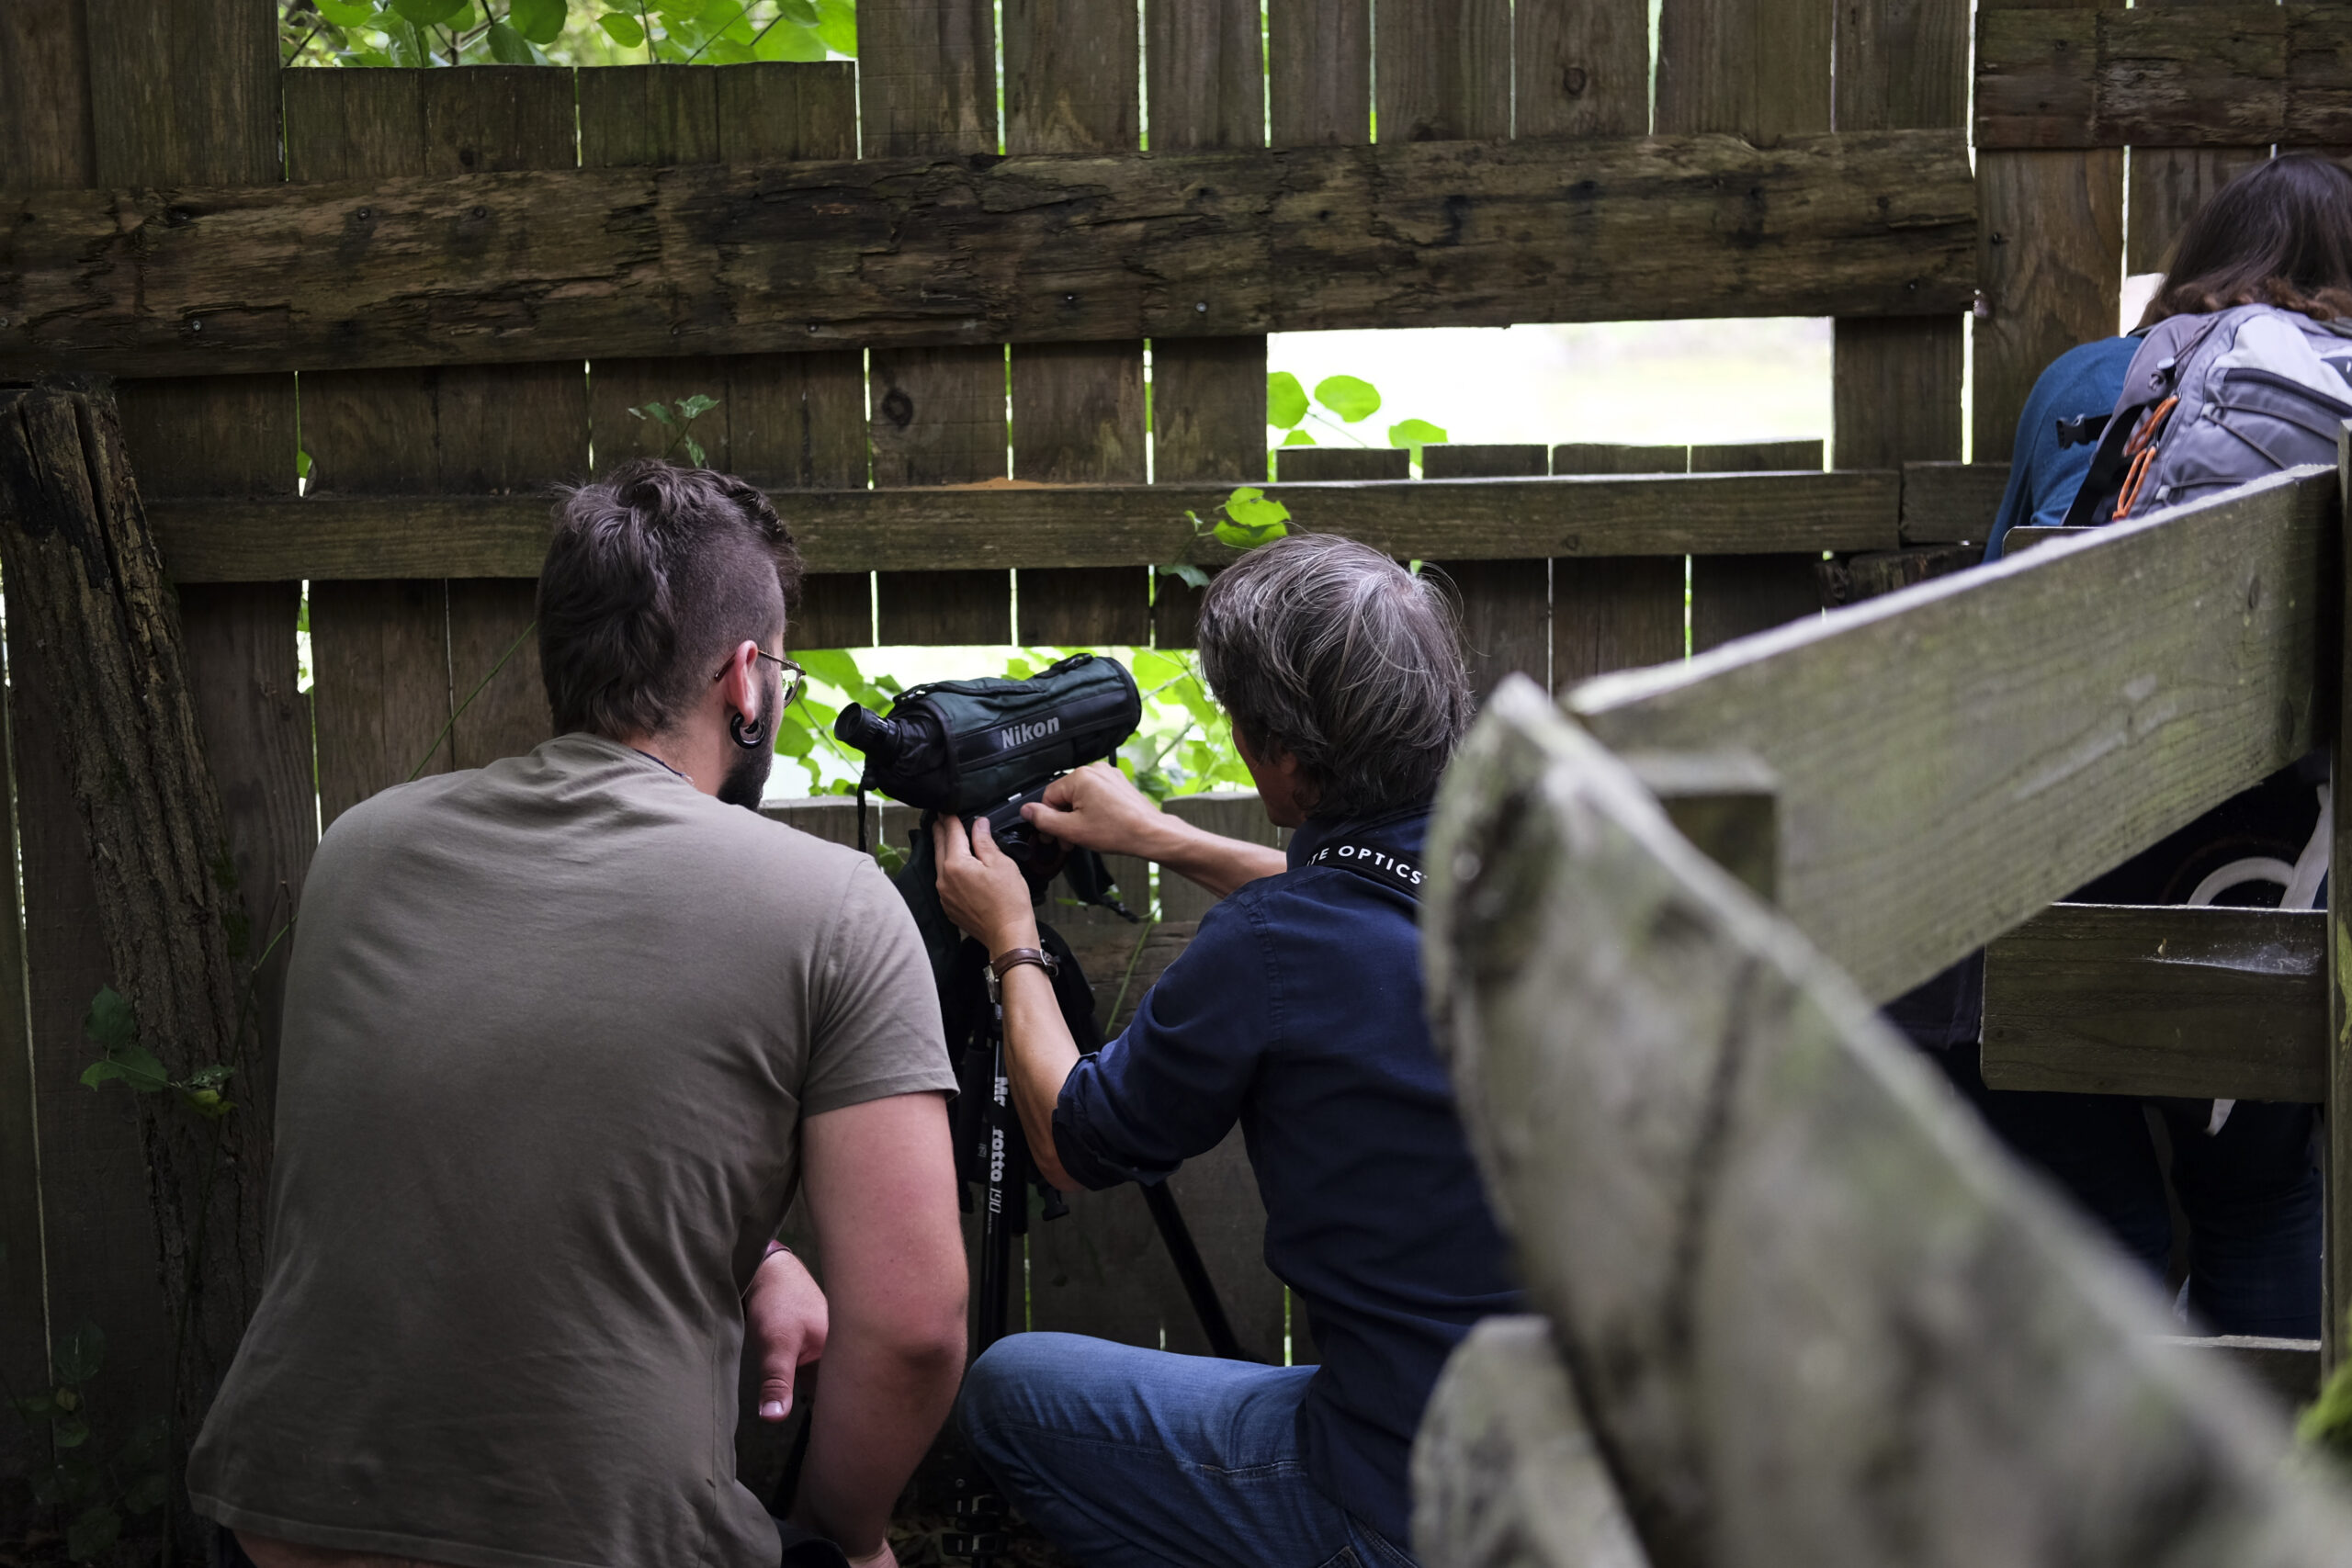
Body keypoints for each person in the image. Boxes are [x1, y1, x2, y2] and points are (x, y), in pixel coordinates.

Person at [187, 461, 968, 1568]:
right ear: (747, 679)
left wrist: (758, 1259)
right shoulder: (833, 905)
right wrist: (840, 1543)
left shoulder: (360, 849)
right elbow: (913, 1333)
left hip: (273, 1532)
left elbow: (497, 1111)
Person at [933, 534, 1521, 1568]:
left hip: (1403, 1508)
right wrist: (1162, 836)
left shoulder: (1273, 947)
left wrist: (1010, 938)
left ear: (1285, 762)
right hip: (1604, 1483)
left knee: (1008, 1389)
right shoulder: (1540, 868)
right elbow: (1371, 902)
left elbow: (1074, 1140)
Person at [1891, 153, 2352, 1337]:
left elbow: (2001, 610)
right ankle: (2284, 1493)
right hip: (2274, 877)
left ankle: (2108, 1488)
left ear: (2203, 264)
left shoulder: (2089, 380)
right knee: (2256, 1199)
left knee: (2090, 1213)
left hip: (2055, 865)